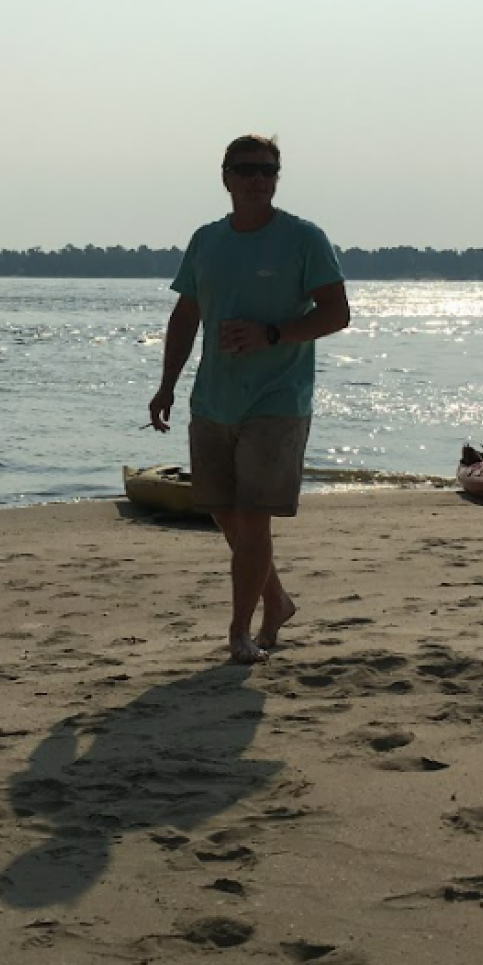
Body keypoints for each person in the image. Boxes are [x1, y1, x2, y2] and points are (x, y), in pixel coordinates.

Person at [148, 136, 351, 665]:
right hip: (214, 397)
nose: (259, 178)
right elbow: (186, 316)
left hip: (277, 398)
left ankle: (240, 631)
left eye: (268, 169)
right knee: (222, 510)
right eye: (247, 169)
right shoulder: (207, 240)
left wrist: (274, 334)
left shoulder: (303, 238)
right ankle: (277, 600)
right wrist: (167, 383)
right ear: (227, 177)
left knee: (252, 514)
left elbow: (336, 312)